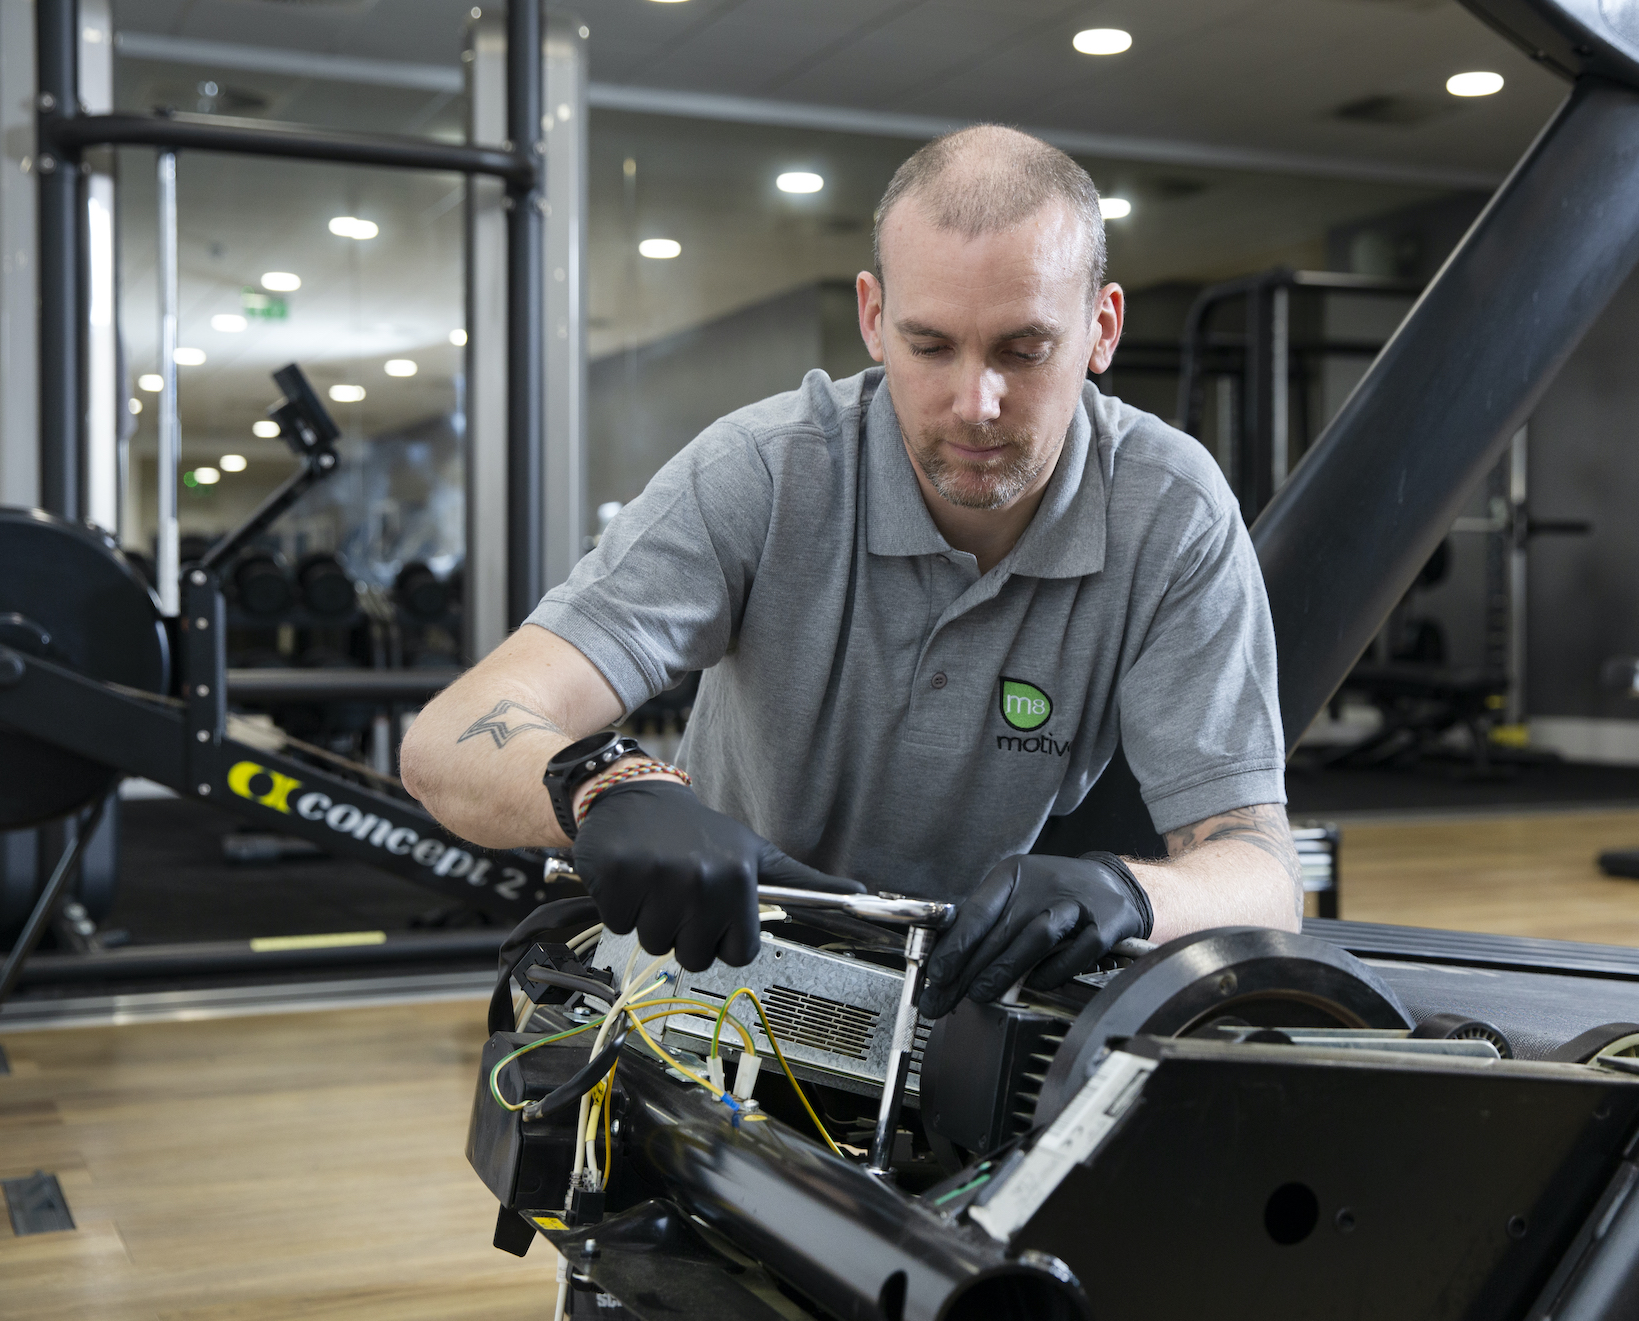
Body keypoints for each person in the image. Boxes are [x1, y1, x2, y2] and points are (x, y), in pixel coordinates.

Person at [400, 125, 1299, 1018]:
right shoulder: (765, 470)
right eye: (931, 345)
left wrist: (1132, 894)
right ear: (873, 318)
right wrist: (607, 790)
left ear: (1101, 329)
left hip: (961, 1002)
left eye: (1023, 350)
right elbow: (447, 738)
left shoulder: (1169, 510)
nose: (975, 404)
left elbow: (1263, 874)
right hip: (709, 982)